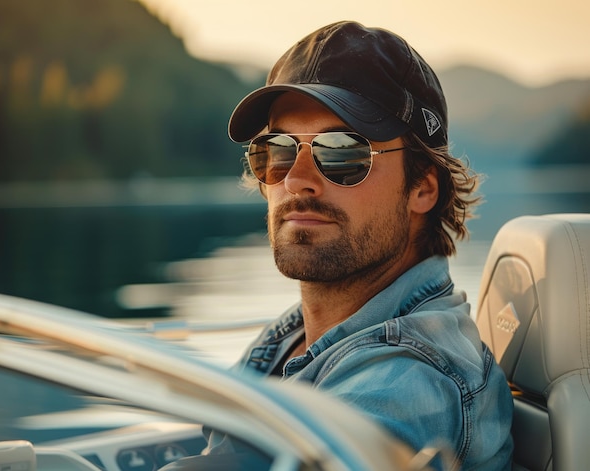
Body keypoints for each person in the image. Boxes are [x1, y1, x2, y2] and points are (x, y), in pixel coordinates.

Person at [219, 21, 513, 470]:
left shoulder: (412, 378)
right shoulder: (296, 337)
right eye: (276, 150)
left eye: (341, 151)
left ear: (422, 188)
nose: (296, 179)